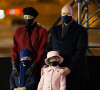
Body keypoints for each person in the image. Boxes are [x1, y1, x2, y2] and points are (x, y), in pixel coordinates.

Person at [42, 4, 88, 90]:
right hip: (54, 71)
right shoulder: (55, 30)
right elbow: (48, 48)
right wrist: (45, 64)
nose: (65, 16)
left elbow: (80, 51)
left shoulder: (81, 31)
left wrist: (70, 67)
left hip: (71, 71)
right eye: (63, 14)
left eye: (68, 14)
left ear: (73, 15)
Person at [11, 7, 48, 83]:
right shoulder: (18, 31)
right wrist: (14, 64)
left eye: (29, 17)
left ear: (34, 18)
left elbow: (42, 49)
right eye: (25, 17)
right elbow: (14, 48)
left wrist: (33, 66)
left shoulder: (42, 31)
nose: (27, 19)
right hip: (21, 66)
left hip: (36, 66)